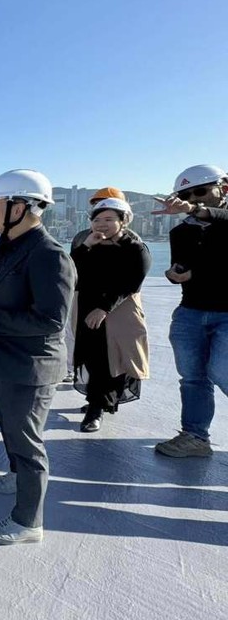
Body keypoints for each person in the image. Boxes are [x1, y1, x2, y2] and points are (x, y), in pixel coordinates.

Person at [0, 169, 75, 545]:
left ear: (20, 207)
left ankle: (28, 522)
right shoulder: (12, 245)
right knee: (11, 431)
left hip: (29, 367)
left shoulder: (48, 254)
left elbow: (51, 319)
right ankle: (15, 479)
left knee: (28, 445)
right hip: (3, 359)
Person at [152, 164, 228, 458]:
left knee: (222, 372)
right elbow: (179, 268)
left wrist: (196, 210)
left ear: (223, 189)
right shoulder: (182, 232)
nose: (194, 198)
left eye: (200, 191)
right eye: (186, 194)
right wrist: (174, 274)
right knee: (193, 377)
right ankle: (195, 437)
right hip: (191, 312)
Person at [70, 198, 150, 432]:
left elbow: (131, 283)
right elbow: (68, 271)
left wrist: (104, 308)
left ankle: (98, 406)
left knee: (113, 358)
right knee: (92, 356)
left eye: (108, 219)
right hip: (86, 308)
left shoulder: (135, 248)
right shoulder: (88, 245)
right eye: (96, 219)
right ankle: (100, 400)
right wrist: (86, 245)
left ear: (123, 221)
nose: (101, 224)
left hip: (119, 311)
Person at [63, 186, 137, 382]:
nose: (101, 208)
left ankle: (104, 398)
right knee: (78, 340)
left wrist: (106, 306)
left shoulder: (133, 242)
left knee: (115, 351)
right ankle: (76, 373)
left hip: (116, 304)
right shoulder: (82, 237)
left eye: (109, 215)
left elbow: (132, 278)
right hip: (82, 298)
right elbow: (70, 267)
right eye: (96, 205)